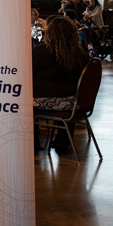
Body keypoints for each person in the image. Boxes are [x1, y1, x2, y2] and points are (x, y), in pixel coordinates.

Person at [33, 17, 90, 154]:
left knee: (21, 103)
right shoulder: (81, 54)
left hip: (46, 102)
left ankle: (33, 143)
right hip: (75, 103)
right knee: (63, 94)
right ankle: (63, 141)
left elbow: (25, 74)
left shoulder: (41, 52)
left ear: (49, 33)